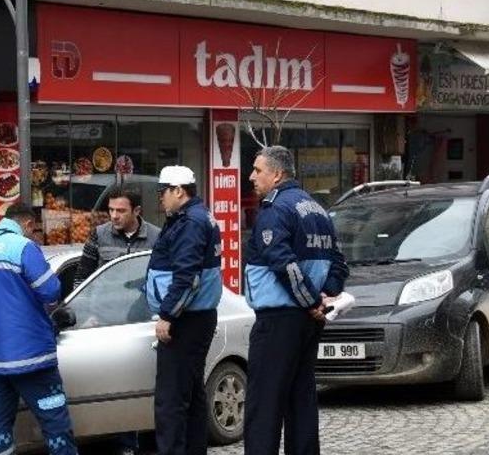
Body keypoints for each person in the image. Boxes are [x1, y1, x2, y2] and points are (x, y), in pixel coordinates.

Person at [243, 146, 349, 455]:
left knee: (264, 404)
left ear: (277, 174)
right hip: (307, 323)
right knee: (301, 401)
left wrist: (310, 302)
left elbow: (283, 263)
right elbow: (340, 263)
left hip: (279, 320)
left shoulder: (275, 209)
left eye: (257, 170)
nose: (251, 176)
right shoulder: (316, 209)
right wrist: (325, 297)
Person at [0, 203, 77, 455]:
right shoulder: (24, 247)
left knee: (0, 422)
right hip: (33, 356)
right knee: (54, 420)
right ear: (26, 224)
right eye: (34, 229)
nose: (34, 234)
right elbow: (51, 291)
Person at [73, 185, 160, 455]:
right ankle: (123, 446)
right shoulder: (99, 235)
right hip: (104, 325)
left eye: (120, 210)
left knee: (144, 386)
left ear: (137, 211)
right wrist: (86, 315)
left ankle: (149, 443)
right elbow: (81, 278)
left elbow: (164, 280)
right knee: (114, 386)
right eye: (110, 210)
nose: (113, 215)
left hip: (142, 326)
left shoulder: (157, 237)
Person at [145, 166, 222, 455]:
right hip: (196, 316)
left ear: (179, 190)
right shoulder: (194, 217)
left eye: (162, 192)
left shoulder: (190, 221)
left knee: (171, 399)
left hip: (186, 319)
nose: (160, 199)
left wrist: (167, 315)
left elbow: (187, 276)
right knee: (191, 393)